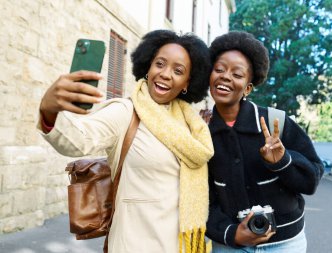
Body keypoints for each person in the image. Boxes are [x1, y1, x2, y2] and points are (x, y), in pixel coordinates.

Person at [37, 30, 214, 253]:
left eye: (178, 71)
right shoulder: (126, 111)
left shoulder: (192, 128)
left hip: (181, 246)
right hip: (133, 244)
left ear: (187, 83)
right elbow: (78, 140)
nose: (166, 74)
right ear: (148, 68)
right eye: (160, 64)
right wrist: (49, 111)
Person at [205, 31, 324, 252]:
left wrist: (283, 161)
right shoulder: (201, 133)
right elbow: (200, 198)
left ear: (248, 87)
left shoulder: (276, 121)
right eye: (219, 69)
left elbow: (311, 181)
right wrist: (231, 234)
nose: (225, 77)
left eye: (237, 74)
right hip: (229, 245)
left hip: (284, 244)